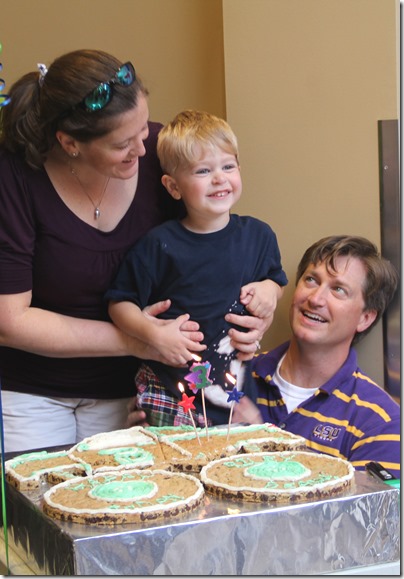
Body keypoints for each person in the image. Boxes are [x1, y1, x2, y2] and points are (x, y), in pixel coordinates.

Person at [0, 50, 268, 453]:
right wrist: (136, 340)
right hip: (32, 393)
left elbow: (218, 247)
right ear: (69, 143)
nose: (143, 150)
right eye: (123, 144)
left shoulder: (160, 151)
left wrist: (258, 309)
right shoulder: (15, 174)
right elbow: (9, 320)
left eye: (143, 129)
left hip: (132, 392)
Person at [106, 109, 287, 427]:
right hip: (170, 388)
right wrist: (152, 333)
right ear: (173, 187)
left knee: (237, 453)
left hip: (233, 390)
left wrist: (270, 291)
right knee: (172, 456)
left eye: (228, 166)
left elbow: (275, 280)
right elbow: (120, 303)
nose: (219, 178)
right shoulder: (159, 245)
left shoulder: (259, 236)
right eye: (203, 171)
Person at [232, 235, 400, 477]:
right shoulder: (236, 376)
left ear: (365, 318)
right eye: (311, 280)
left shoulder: (381, 421)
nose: (315, 299)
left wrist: (260, 445)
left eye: (338, 290)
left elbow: (363, 505)